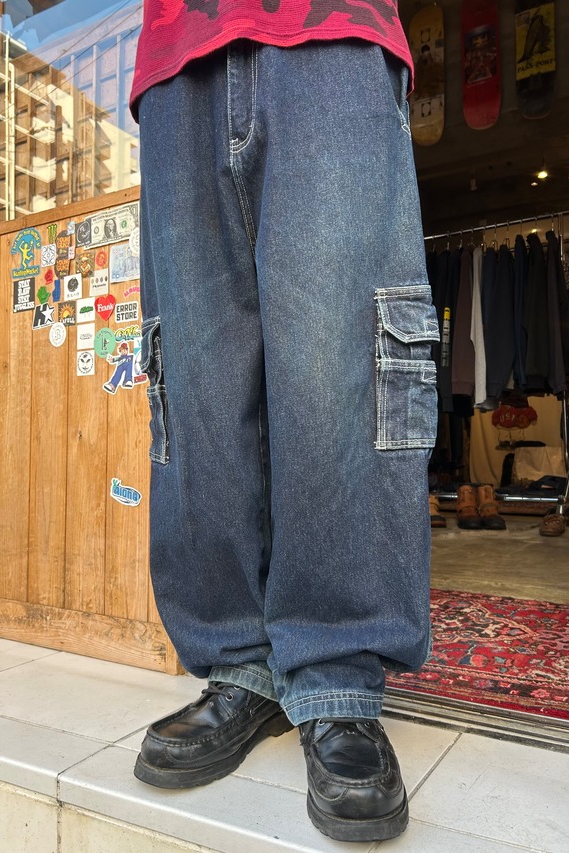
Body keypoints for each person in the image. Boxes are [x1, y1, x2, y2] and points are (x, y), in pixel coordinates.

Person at [130, 2, 439, 843]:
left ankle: (337, 671)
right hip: (177, 53)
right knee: (197, 372)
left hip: (332, 29)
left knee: (339, 361)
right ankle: (238, 661)